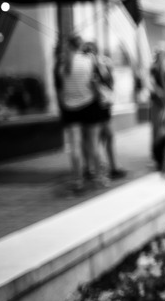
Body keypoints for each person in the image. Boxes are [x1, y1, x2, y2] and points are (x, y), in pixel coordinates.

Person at [53, 34, 104, 192]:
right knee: (94, 144)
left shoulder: (60, 64)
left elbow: (59, 91)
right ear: (80, 45)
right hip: (90, 105)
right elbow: (97, 82)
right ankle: (98, 177)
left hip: (69, 108)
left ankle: (77, 180)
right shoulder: (89, 60)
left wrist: (63, 105)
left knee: (74, 146)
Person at [83, 41, 127, 180]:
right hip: (93, 107)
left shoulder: (103, 64)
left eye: (92, 50)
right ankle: (93, 169)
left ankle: (111, 167)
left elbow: (110, 82)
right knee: (93, 139)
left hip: (104, 107)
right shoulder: (86, 66)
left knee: (108, 136)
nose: (91, 53)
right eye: (88, 51)